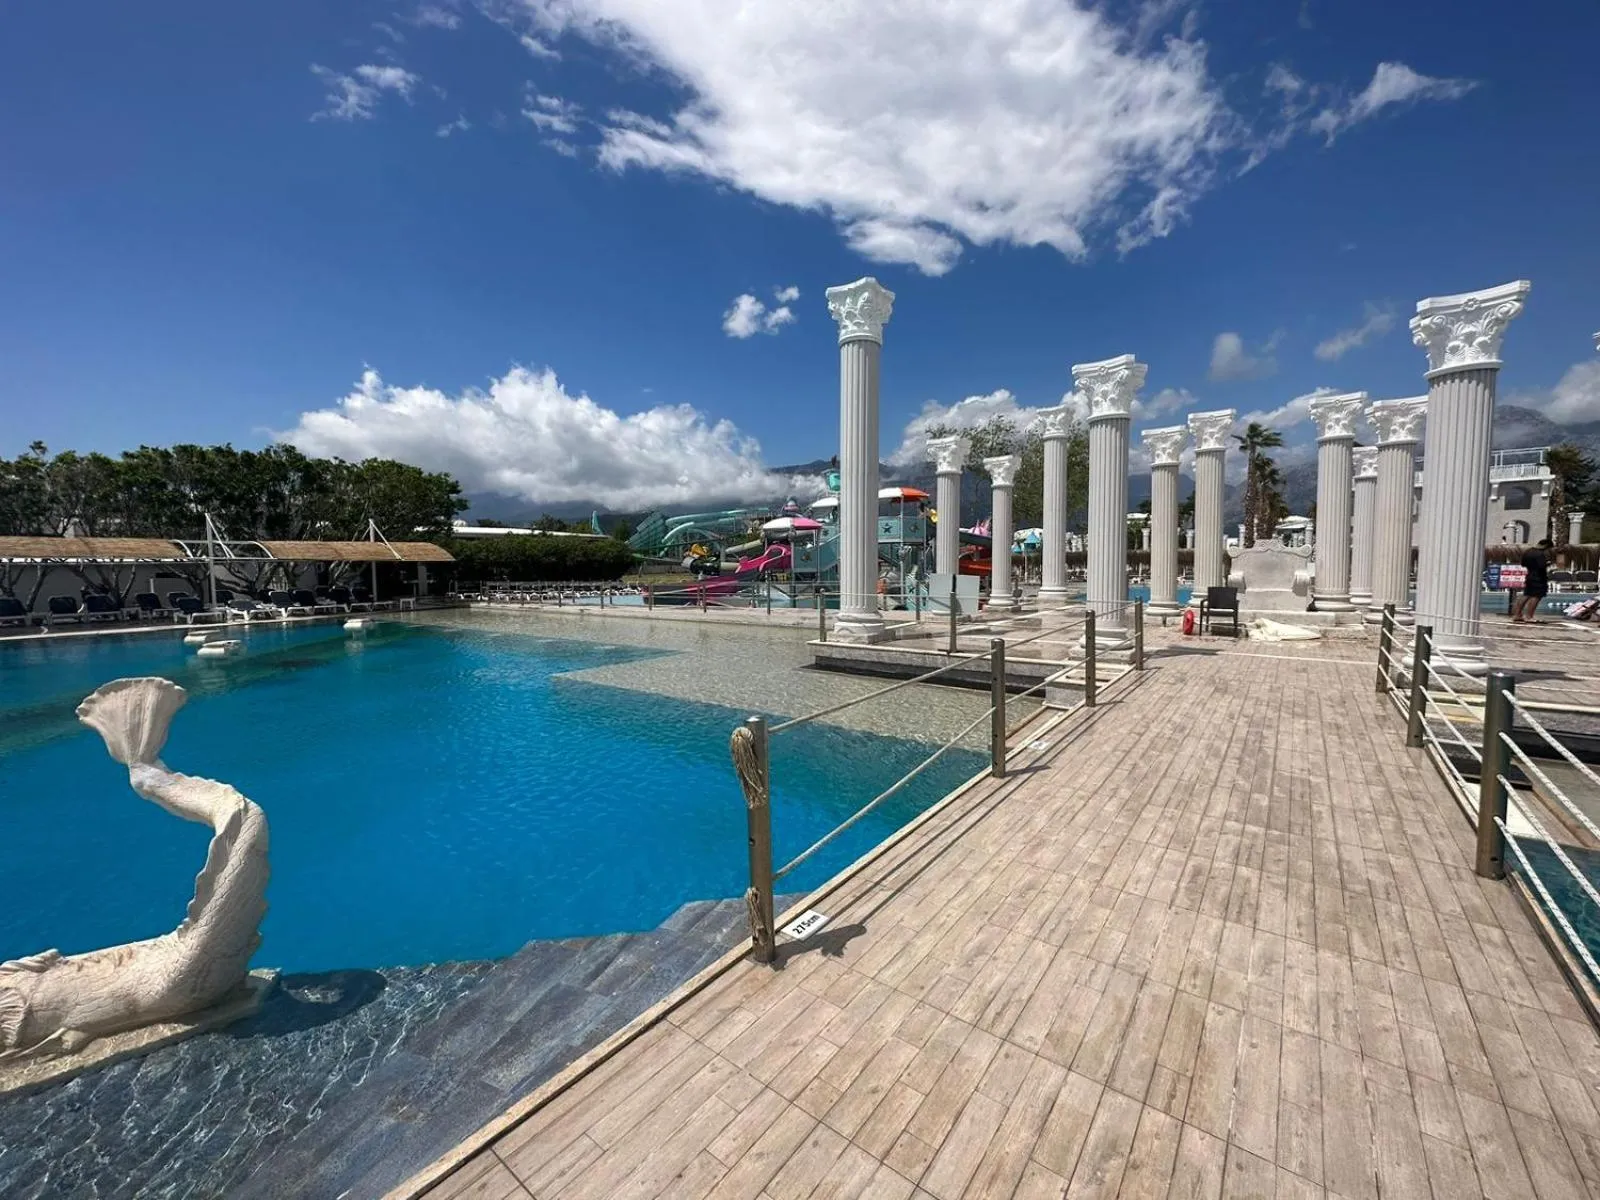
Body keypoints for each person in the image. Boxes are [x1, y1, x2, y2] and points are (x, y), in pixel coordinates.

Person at [1514, 538, 1552, 622]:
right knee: (1536, 596)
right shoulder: (1540, 554)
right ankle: (1529, 616)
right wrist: (1548, 563)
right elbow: (1541, 566)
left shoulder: (1528, 551)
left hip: (1529, 575)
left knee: (1526, 595)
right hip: (1539, 577)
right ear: (1546, 546)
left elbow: (1523, 564)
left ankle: (1517, 615)